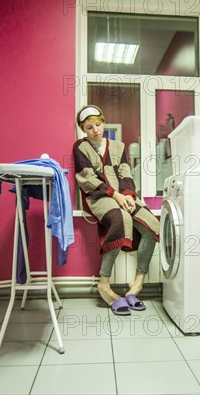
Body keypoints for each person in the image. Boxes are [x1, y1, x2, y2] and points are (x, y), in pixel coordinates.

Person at [72, 105, 160, 316]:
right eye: (89, 127)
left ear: (103, 122)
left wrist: (128, 194)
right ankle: (104, 284)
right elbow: (87, 179)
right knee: (121, 219)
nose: (95, 130)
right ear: (83, 129)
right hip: (99, 197)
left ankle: (137, 283)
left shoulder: (118, 146)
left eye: (98, 124)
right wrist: (116, 195)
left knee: (153, 224)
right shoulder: (80, 147)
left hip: (124, 195)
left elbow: (126, 174)